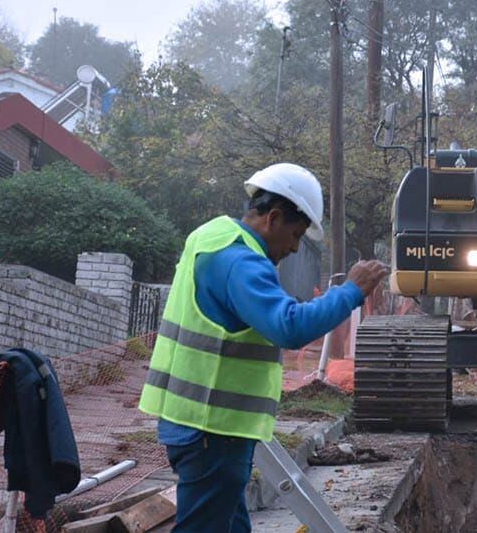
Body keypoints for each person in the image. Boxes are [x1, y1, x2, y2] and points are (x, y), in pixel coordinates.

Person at [138, 163, 388, 532]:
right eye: (296, 235)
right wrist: (350, 291)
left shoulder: (211, 237)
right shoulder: (241, 262)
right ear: (273, 218)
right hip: (213, 430)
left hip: (201, 426)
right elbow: (288, 327)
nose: (292, 248)